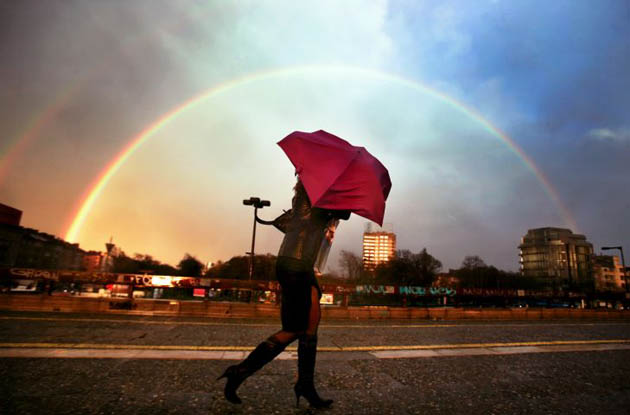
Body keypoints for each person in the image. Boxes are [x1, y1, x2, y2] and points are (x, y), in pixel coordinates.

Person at [218, 179, 350, 408]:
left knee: (311, 325)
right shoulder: (315, 192)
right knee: (296, 328)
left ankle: (305, 386)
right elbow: (344, 212)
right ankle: (239, 372)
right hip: (294, 264)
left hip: (301, 265)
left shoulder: (311, 191)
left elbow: (339, 213)